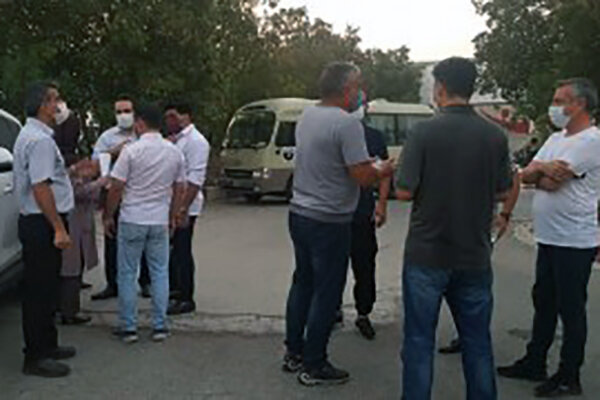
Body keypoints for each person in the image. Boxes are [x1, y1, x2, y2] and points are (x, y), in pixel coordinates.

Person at [397, 57, 513, 400]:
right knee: (477, 343)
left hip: (427, 255)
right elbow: (503, 190)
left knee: (419, 341)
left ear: (441, 88)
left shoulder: (423, 132)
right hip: (474, 255)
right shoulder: (494, 135)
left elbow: (404, 191)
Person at [282, 62, 395, 386]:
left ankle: (294, 352)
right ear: (347, 90)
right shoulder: (347, 125)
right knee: (327, 292)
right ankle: (315, 364)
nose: (361, 93)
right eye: (358, 86)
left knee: (303, 283)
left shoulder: (308, 115)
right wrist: (383, 169)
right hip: (329, 220)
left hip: (300, 212)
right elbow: (362, 176)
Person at [497, 78, 600, 398]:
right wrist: (541, 167)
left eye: (559, 101)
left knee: (570, 308)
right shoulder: (556, 138)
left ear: (579, 104)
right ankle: (535, 361)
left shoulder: (591, 141)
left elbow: (552, 183)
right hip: (550, 236)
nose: (553, 107)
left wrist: (537, 174)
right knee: (543, 301)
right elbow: (525, 174)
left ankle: (569, 375)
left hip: (574, 239)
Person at [104, 103, 185, 343]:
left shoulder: (131, 151)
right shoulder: (174, 152)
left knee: (128, 274)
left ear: (140, 123)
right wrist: (173, 215)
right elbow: (179, 187)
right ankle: (160, 325)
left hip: (132, 218)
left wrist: (108, 215)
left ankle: (129, 326)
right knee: (160, 272)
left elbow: (116, 187)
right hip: (159, 220)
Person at [13, 81, 76, 377]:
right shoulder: (39, 141)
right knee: (39, 290)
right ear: (43, 105)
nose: (59, 106)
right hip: (42, 222)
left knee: (48, 286)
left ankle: (48, 345)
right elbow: (40, 188)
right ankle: (35, 356)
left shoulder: (36, 136)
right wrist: (58, 228)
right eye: (55, 100)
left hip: (42, 221)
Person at [439, 165, 521, 354]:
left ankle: (474, 337)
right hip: (446, 229)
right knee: (452, 287)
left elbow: (515, 177)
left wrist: (505, 214)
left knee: (472, 287)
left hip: (478, 231)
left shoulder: (491, 148)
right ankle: (466, 333)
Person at [340, 98, 391, 340]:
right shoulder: (334, 133)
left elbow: (385, 172)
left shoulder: (374, 137)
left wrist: (382, 204)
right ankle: (331, 309)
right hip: (336, 214)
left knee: (365, 265)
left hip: (362, 212)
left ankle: (363, 313)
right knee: (333, 266)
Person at [91, 95, 151, 300]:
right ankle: (113, 283)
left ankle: (146, 282)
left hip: (140, 194)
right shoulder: (107, 137)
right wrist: (113, 153)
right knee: (112, 240)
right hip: (114, 194)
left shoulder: (144, 135)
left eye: (127, 111)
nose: (123, 115)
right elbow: (95, 163)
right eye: (119, 112)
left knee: (144, 240)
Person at [163, 103, 210, 315]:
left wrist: (182, 209)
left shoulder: (196, 142)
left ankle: (186, 297)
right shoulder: (176, 139)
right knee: (172, 250)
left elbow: (194, 180)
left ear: (187, 116)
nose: (171, 121)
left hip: (186, 205)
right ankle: (175, 289)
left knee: (182, 250)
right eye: (168, 117)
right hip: (171, 203)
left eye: (174, 116)